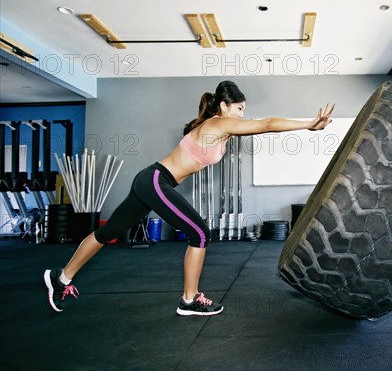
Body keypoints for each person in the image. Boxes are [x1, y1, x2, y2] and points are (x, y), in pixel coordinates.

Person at [43, 81, 334, 316]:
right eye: (240, 108)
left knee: (108, 233)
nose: (243, 114)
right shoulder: (218, 125)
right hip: (157, 181)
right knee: (199, 233)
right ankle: (189, 300)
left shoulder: (223, 131)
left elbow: (262, 125)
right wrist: (310, 124)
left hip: (152, 180)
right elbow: (268, 123)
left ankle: (61, 277)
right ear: (223, 107)